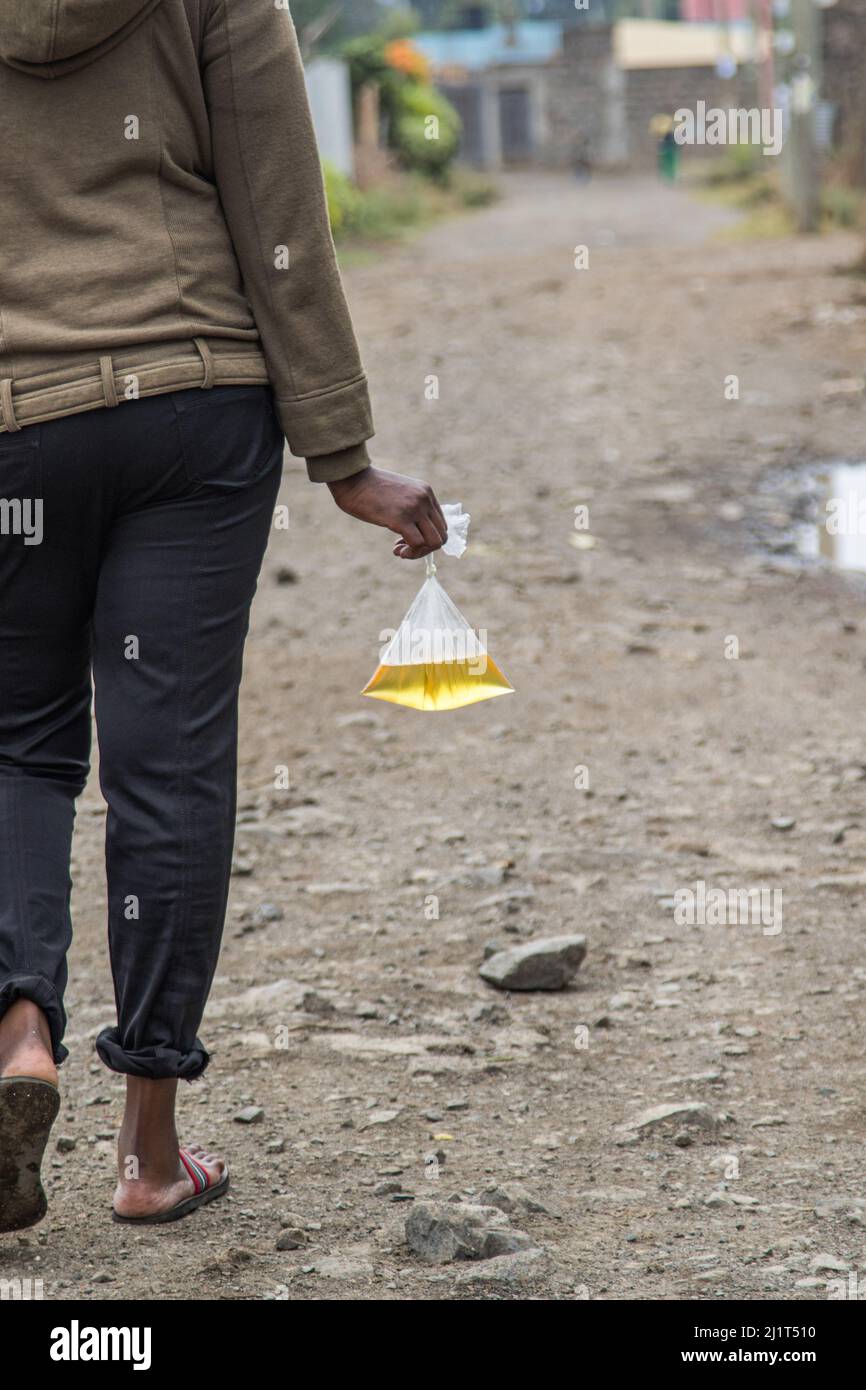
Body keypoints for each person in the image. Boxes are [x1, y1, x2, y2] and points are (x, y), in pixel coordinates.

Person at [0, 0, 447, 1232]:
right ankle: (148, 1152)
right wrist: (343, 453)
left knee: (17, 745)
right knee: (169, 763)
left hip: (11, 418)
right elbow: (278, 210)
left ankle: (17, 1030)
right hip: (192, 406)